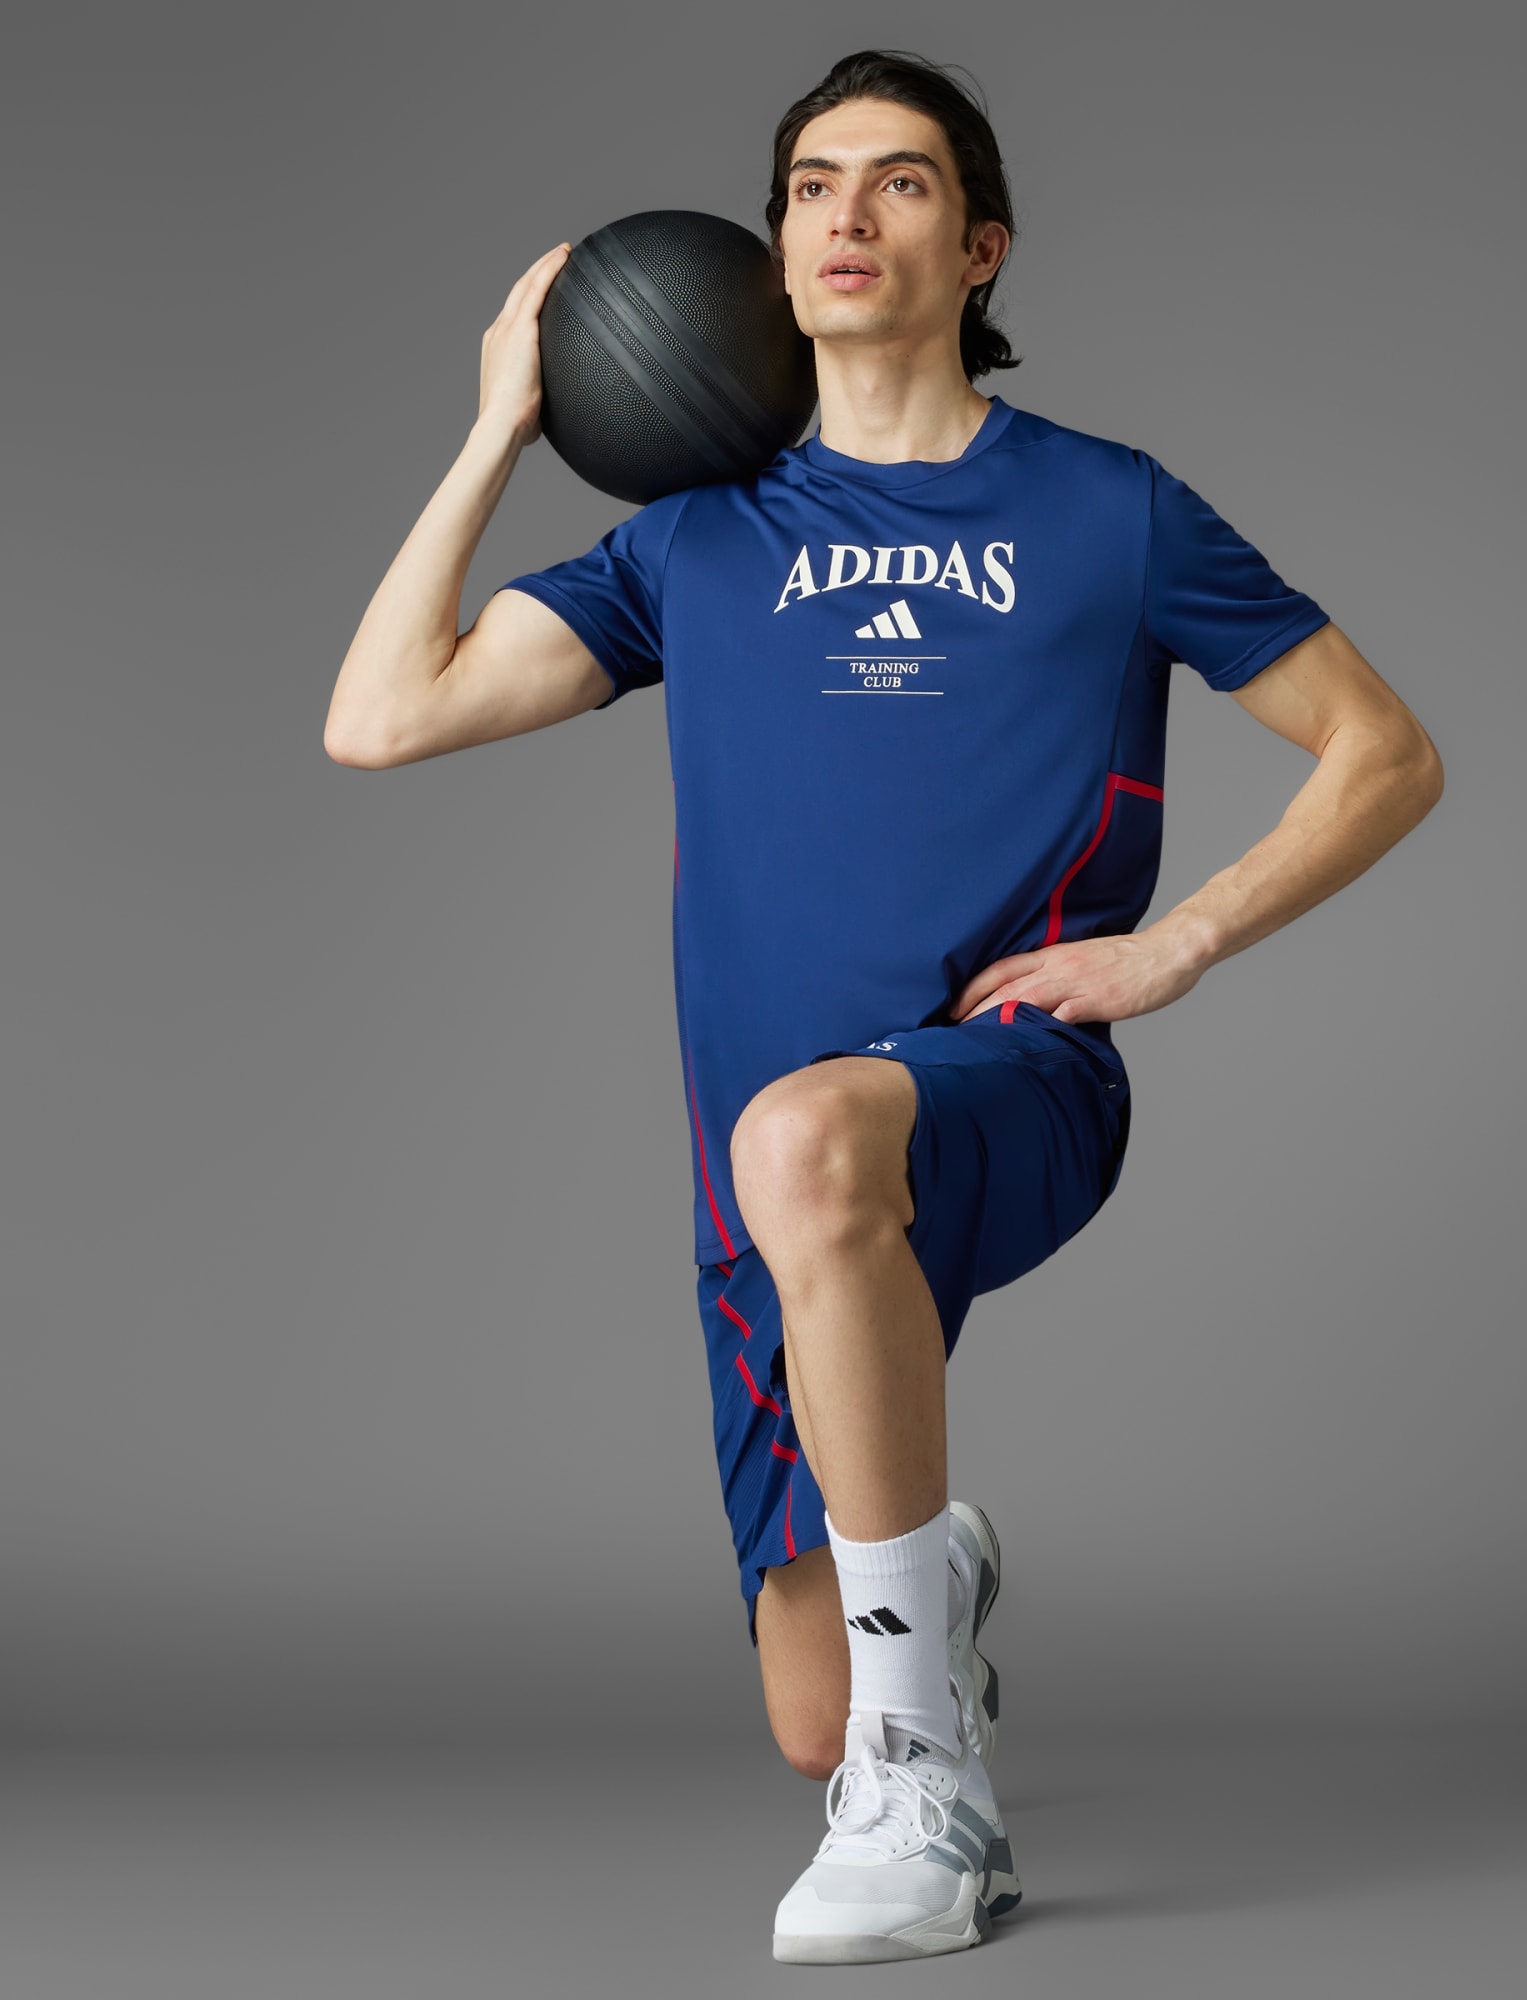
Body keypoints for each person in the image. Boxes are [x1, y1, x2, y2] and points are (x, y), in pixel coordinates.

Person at [325, 48, 1442, 1964]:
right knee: (807, 1718)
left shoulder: (1108, 510)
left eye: (901, 182)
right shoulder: (693, 541)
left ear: (980, 247)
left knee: (811, 1143)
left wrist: (1175, 945)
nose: (848, 214)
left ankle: (939, 1801)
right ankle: (929, 1602)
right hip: (759, 1181)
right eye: (813, 186)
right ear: (773, 254)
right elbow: (380, 716)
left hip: (1005, 1079)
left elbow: (1384, 753)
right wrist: (505, 420)